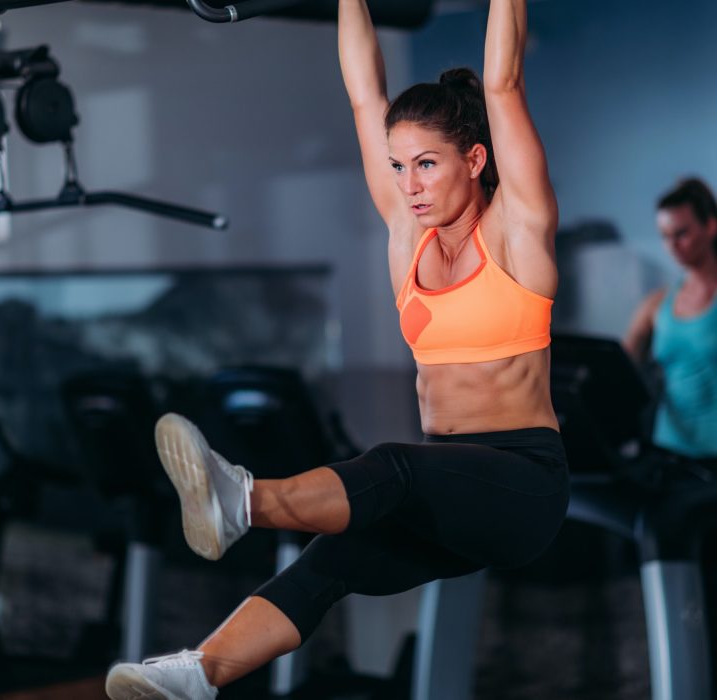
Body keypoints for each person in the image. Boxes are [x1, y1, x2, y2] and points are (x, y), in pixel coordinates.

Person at [105, 1, 569, 698]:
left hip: (523, 484)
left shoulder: (517, 231)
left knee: (392, 469)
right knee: (333, 560)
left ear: (475, 160)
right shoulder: (406, 236)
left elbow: (504, 83)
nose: (407, 185)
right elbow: (363, 93)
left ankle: (240, 501)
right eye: (397, 166)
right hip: (450, 488)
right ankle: (198, 676)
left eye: (426, 164)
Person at [623, 178, 717, 458]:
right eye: (664, 236)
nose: (672, 245)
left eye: (681, 233)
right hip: (670, 454)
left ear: (711, 226)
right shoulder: (656, 305)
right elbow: (617, 371)